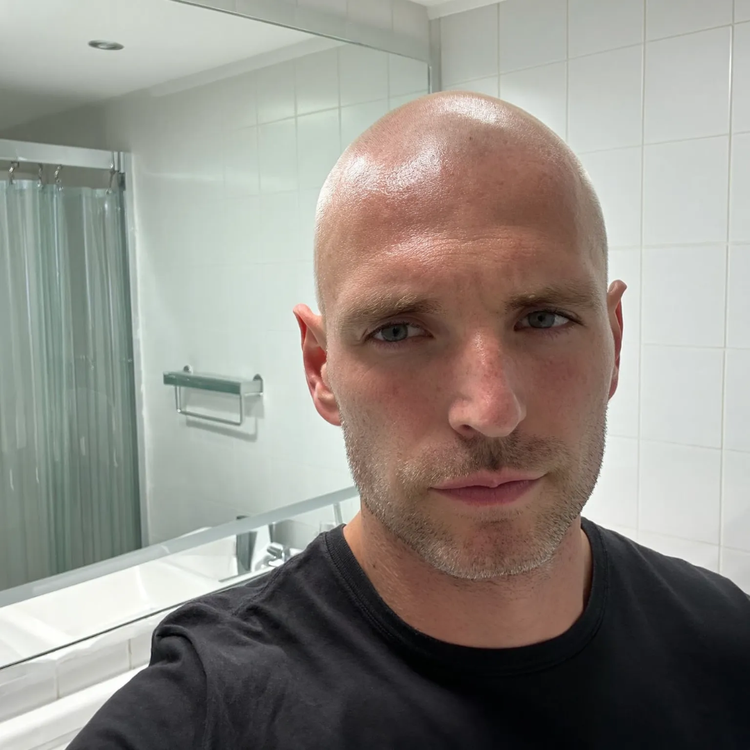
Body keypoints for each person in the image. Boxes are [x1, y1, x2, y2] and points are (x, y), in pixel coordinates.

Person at [68, 93, 750, 749]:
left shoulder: (725, 642)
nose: (491, 411)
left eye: (544, 319)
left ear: (615, 344)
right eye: (398, 331)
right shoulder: (206, 714)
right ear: (321, 368)